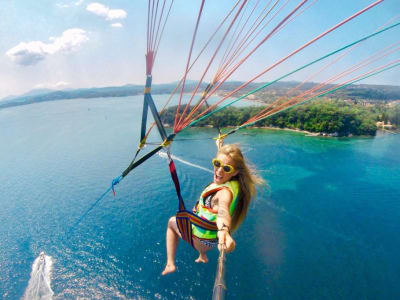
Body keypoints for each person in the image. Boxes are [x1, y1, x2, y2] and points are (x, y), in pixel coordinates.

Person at [162, 141, 264, 275]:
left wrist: (224, 230)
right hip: (210, 240)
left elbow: (223, 211)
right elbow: (225, 161)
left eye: (227, 169)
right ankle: (202, 255)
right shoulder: (236, 183)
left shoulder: (223, 193)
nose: (219, 170)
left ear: (234, 172)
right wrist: (220, 146)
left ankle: (170, 264)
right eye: (217, 164)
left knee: (171, 222)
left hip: (201, 240)